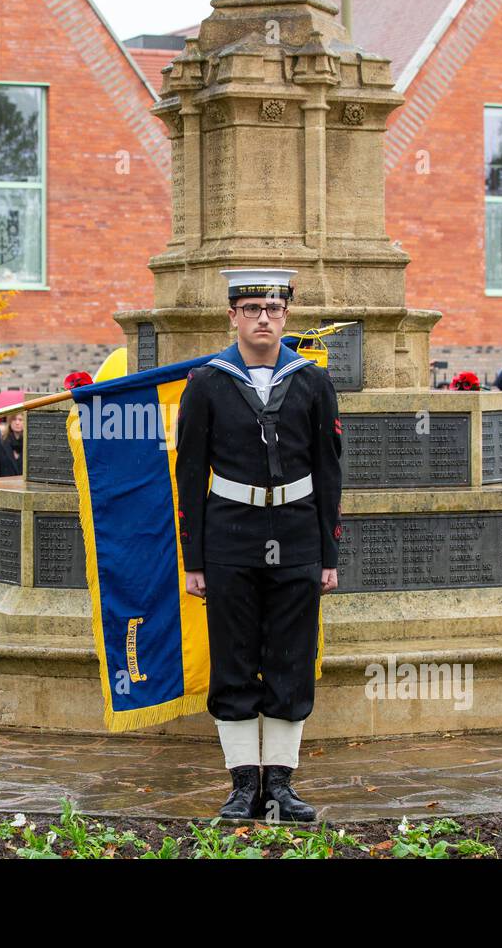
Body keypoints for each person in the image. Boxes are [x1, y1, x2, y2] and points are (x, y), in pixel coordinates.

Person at [176, 268, 342, 822]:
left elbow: (329, 471)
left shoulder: (313, 382)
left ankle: (281, 785)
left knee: (292, 656)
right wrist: (194, 560)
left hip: (296, 533)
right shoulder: (207, 382)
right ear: (233, 316)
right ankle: (243, 783)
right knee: (234, 657)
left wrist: (328, 554)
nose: (263, 318)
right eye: (251, 309)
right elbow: (189, 473)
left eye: (273, 309)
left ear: (286, 315)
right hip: (230, 534)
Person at [0, 411, 25, 477]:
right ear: (9, 422)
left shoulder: (30, 443)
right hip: (6, 482)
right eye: (14, 419)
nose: (17, 423)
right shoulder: (1, 442)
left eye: (20, 420)